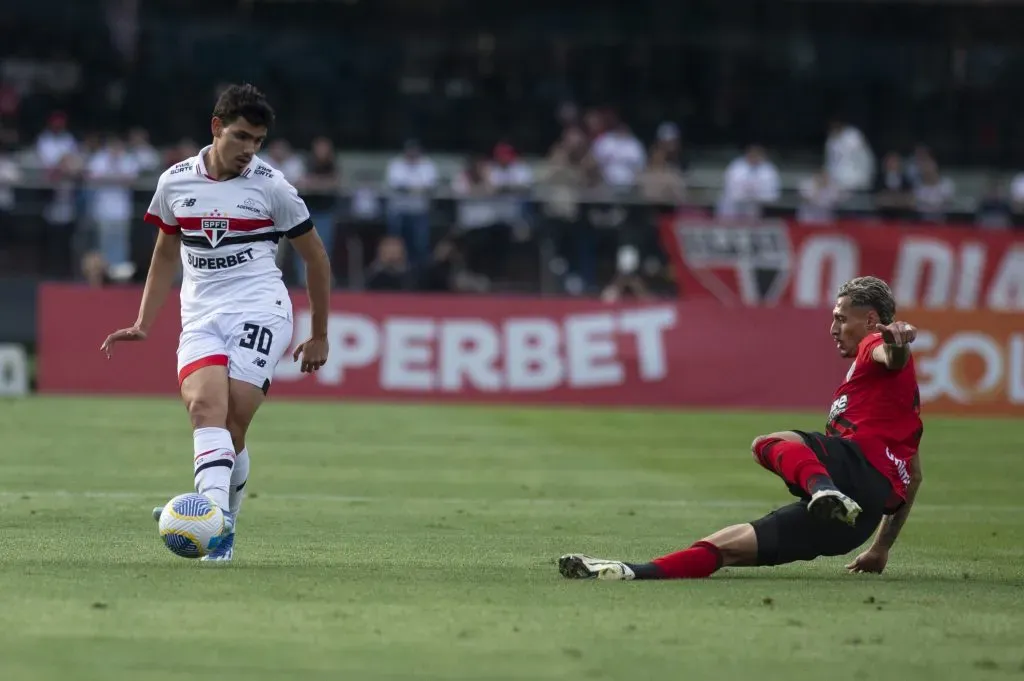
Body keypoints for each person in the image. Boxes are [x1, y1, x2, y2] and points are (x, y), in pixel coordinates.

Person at [99, 84, 332, 562]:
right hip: (201, 312)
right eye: (242, 137)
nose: (249, 150)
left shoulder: (272, 187)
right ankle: (214, 522)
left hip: (260, 307)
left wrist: (321, 332)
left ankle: (213, 515)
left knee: (233, 419)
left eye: (258, 141)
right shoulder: (175, 182)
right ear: (216, 127)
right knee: (206, 409)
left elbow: (317, 258)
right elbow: (165, 253)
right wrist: (144, 320)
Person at [559, 276, 924, 580]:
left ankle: (823, 491)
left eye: (841, 318)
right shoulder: (899, 403)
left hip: (852, 472)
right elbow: (915, 477)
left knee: (767, 443)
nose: (833, 328)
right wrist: (879, 549)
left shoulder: (875, 343)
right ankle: (631, 571)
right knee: (729, 546)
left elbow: (890, 356)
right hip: (857, 522)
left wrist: (895, 343)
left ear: (872, 320)